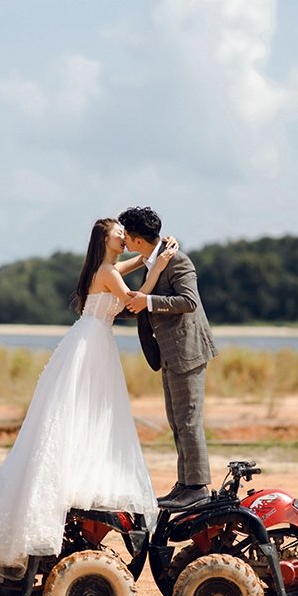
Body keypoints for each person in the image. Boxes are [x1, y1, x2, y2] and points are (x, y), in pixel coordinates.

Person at [0, 218, 169, 576]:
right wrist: (158, 266)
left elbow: (126, 266)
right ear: (105, 238)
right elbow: (133, 301)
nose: (124, 237)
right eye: (119, 233)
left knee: (81, 413)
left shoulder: (102, 269)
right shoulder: (106, 272)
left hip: (88, 340)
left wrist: (150, 255)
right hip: (93, 344)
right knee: (87, 412)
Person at [116, 206, 217, 510]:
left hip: (188, 350)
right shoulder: (154, 260)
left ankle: (197, 487)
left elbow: (188, 301)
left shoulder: (178, 260)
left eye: (126, 236)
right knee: (177, 421)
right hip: (171, 352)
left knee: (188, 420)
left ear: (136, 239)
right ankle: (185, 483)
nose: (123, 241)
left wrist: (147, 301)